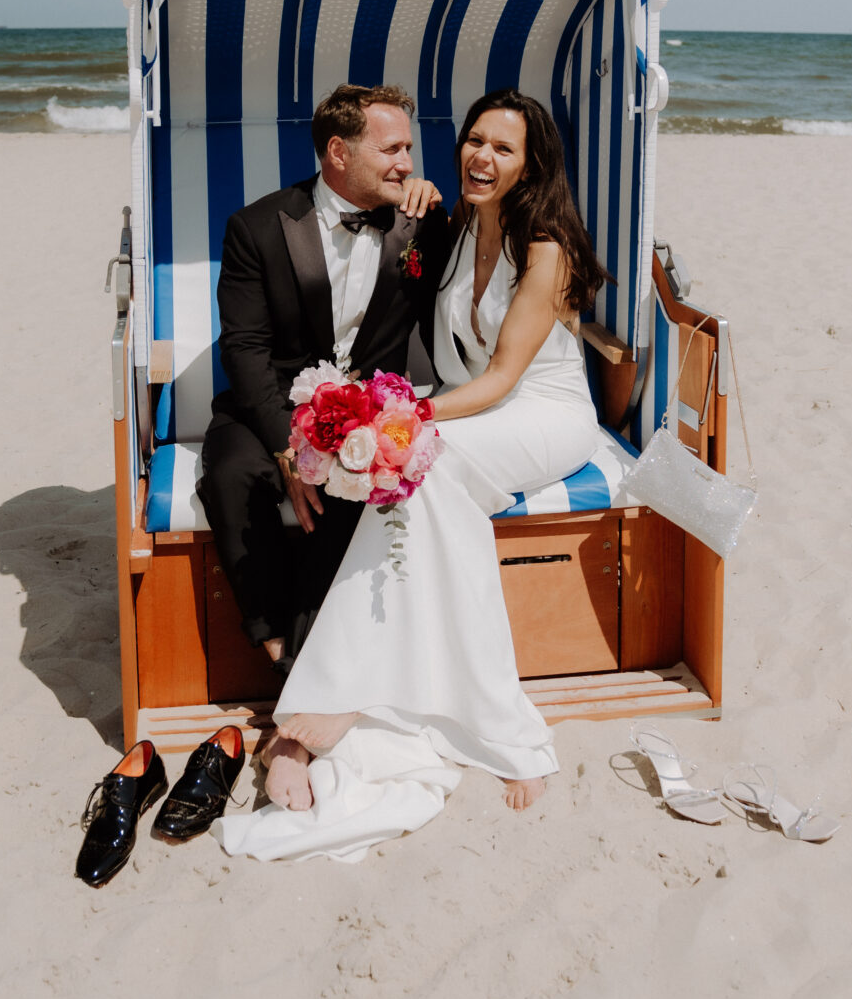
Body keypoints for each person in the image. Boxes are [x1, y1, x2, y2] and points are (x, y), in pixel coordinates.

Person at [216, 88, 610, 863]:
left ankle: (427, 706)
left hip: (541, 412)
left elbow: (500, 381)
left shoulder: (545, 246)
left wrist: (400, 419)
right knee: (411, 472)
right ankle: (345, 694)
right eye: (473, 140)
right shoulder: (452, 226)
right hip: (471, 409)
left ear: (532, 166)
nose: (480, 156)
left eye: (503, 148)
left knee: (419, 468)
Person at [198, 84, 449, 676]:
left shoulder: (422, 226)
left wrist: (440, 204)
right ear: (338, 151)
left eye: (409, 149)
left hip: (364, 412)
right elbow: (246, 349)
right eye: (392, 149)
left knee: (356, 486)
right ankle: (275, 646)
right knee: (232, 475)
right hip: (266, 406)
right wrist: (289, 447)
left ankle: (308, 668)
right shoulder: (256, 228)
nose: (407, 163)